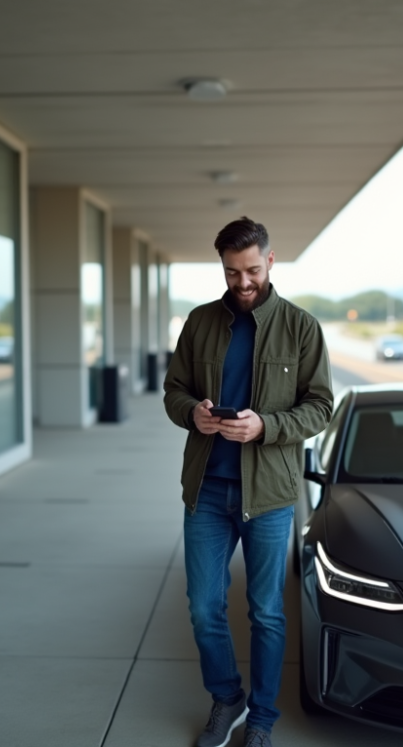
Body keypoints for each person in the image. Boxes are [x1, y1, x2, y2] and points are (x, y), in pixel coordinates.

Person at [163, 217, 333, 747]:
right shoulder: (199, 323)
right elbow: (174, 392)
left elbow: (321, 406)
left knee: (266, 613)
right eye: (233, 272)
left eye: (252, 270)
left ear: (271, 261)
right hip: (208, 491)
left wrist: (266, 426)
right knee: (203, 607)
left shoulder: (302, 327)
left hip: (270, 495)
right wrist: (195, 414)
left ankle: (261, 718)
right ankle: (226, 697)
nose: (243, 283)